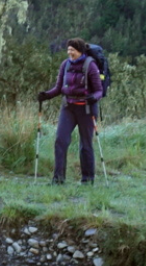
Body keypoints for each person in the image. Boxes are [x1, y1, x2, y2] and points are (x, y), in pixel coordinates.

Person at [38, 38, 104, 184]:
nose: (69, 52)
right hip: (68, 107)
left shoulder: (90, 66)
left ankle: (88, 179)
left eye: (72, 50)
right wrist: (46, 95)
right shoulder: (65, 65)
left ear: (80, 51)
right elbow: (58, 88)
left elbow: (99, 90)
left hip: (86, 108)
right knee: (60, 141)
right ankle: (58, 179)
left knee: (85, 144)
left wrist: (94, 98)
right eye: (68, 49)